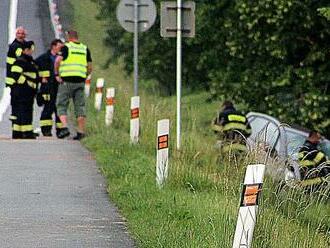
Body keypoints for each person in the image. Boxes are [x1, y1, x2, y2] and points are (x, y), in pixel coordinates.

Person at [54, 30, 92, 140]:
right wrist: (84, 76)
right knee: (80, 106)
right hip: (80, 81)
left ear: (69, 37)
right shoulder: (85, 49)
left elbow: (57, 61)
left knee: (61, 105)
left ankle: (65, 127)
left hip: (66, 81)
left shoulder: (66, 47)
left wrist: (57, 74)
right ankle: (80, 131)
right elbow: (90, 67)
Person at [7, 41, 39, 139]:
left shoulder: (29, 61)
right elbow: (15, 74)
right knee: (25, 111)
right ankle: (27, 132)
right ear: (26, 50)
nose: (31, 52)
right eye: (30, 50)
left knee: (21, 111)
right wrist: (26, 84)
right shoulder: (21, 61)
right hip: (23, 91)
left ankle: (18, 132)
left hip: (26, 91)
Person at [35, 39, 65, 137]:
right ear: (53, 46)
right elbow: (33, 70)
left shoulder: (63, 59)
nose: (61, 49)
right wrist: (40, 78)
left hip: (60, 87)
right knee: (48, 108)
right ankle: (46, 130)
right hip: (47, 88)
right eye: (60, 47)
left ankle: (60, 130)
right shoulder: (43, 58)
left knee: (59, 109)